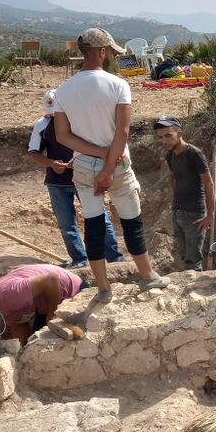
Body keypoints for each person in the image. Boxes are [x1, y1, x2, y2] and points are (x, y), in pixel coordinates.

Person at [53, 28, 170, 303]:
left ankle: (104, 289)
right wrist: (107, 167)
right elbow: (123, 131)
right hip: (116, 164)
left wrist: (96, 153)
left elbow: (63, 135)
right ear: (103, 51)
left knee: (93, 225)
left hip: (83, 166)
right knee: (132, 222)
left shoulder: (63, 90)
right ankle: (147, 276)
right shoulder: (118, 85)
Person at [29, 90, 124, 269]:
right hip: (57, 183)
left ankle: (114, 256)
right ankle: (80, 259)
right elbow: (34, 152)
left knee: (99, 216)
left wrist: (80, 161)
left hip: (85, 177)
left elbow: (97, 146)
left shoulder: (81, 122)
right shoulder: (42, 125)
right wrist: (51, 163)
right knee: (66, 224)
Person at [0, 264, 87, 346]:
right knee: (33, 344)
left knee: (54, 343)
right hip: (43, 303)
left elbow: (51, 280)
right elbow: (18, 324)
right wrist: (19, 351)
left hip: (72, 291)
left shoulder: (7, 295)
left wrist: (53, 313)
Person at [153, 114, 215, 271]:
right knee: (182, 254)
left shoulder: (194, 154)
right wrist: (177, 200)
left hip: (195, 213)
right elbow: (173, 177)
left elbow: (209, 183)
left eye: (168, 135)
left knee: (193, 259)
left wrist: (210, 214)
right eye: (161, 137)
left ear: (179, 134)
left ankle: (195, 291)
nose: (164, 140)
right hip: (177, 211)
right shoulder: (170, 155)